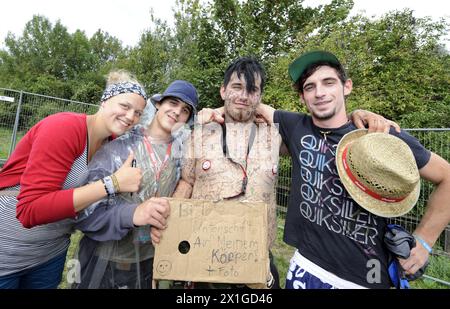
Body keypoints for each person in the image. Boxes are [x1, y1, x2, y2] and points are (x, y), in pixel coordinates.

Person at [152, 56, 397, 289]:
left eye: (252, 90)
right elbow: (186, 182)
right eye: (236, 87)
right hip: (202, 253)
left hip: (257, 261)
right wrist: (169, 228)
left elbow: (324, 128)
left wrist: (358, 115)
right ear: (223, 90)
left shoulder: (277, 135)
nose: (243, 96)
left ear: (259, 96)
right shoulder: (199, 132)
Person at [256, 50, 450, 288]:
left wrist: (424, 242)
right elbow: (253, 106)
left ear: (346, 86)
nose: (320, 93)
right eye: (310, 87)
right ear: (301, 97)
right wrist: (215, 113)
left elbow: (447, 177)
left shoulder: (379, 136)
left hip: (365, 278)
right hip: (306, 265)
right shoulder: (294, 125)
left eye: (329, 82)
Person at [0, 69, 147, 289]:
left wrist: (207, 118)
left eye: (138, 113)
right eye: (125, 106)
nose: (130, 117)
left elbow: (158, 128)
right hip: (7, 250)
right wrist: (112, 184)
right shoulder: (64, 128)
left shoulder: (113, 144)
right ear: (105, 100)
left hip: (50, 254)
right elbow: (29, 210)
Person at [72, 80, 199, 289]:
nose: (177, 112)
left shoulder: (182, 155)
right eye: (173, 103)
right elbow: (86, 213)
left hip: (148, 262)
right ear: (159, 103)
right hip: (105, 259)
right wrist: (132, 213)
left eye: (185, 110)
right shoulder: (122, 146)